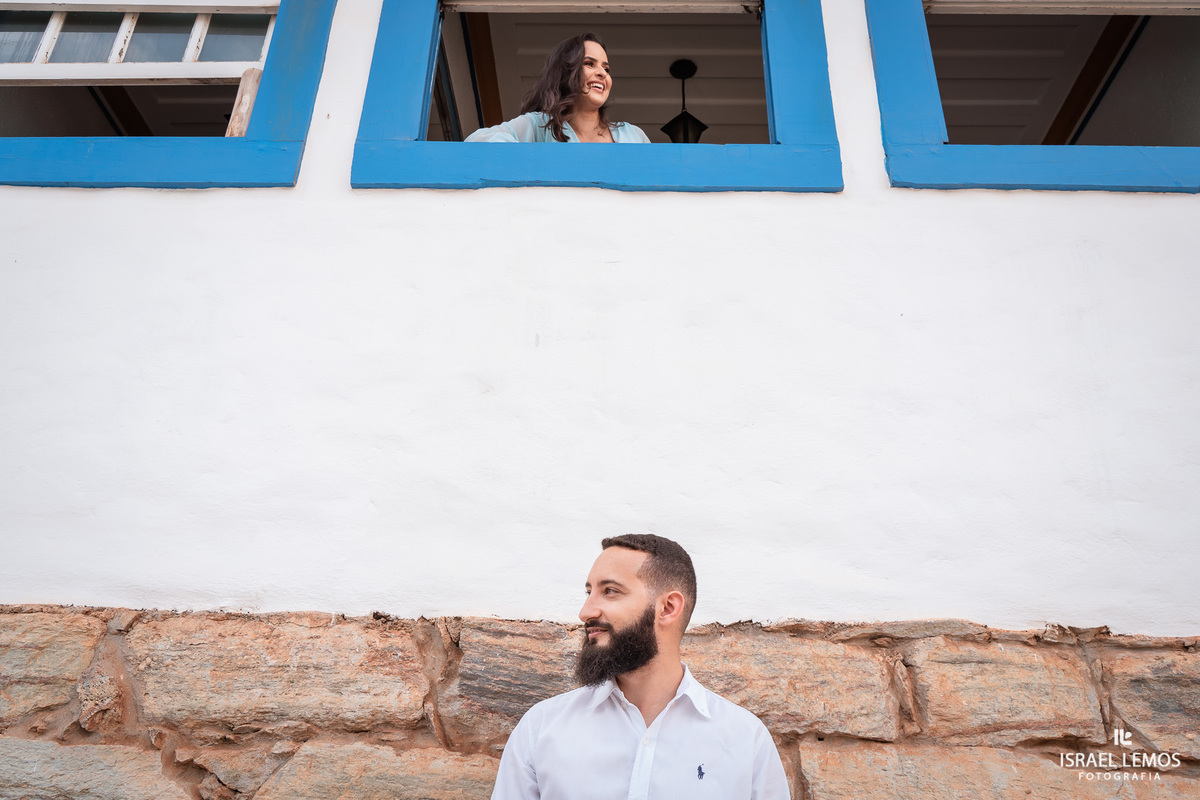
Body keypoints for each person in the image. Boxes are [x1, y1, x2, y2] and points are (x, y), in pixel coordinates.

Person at [490, 534, 791, 800]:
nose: (585, 612)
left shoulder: (745, 742)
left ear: (668, 608)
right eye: (589, 591)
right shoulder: (541, 729)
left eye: (610, 591)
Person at [465, 33, 651, 144]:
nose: (602, 73)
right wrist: (522, 155)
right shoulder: (539, 126)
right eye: (589, 64)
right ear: (565, 71)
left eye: (606, 68)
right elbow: (476, 141)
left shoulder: (633, 136)